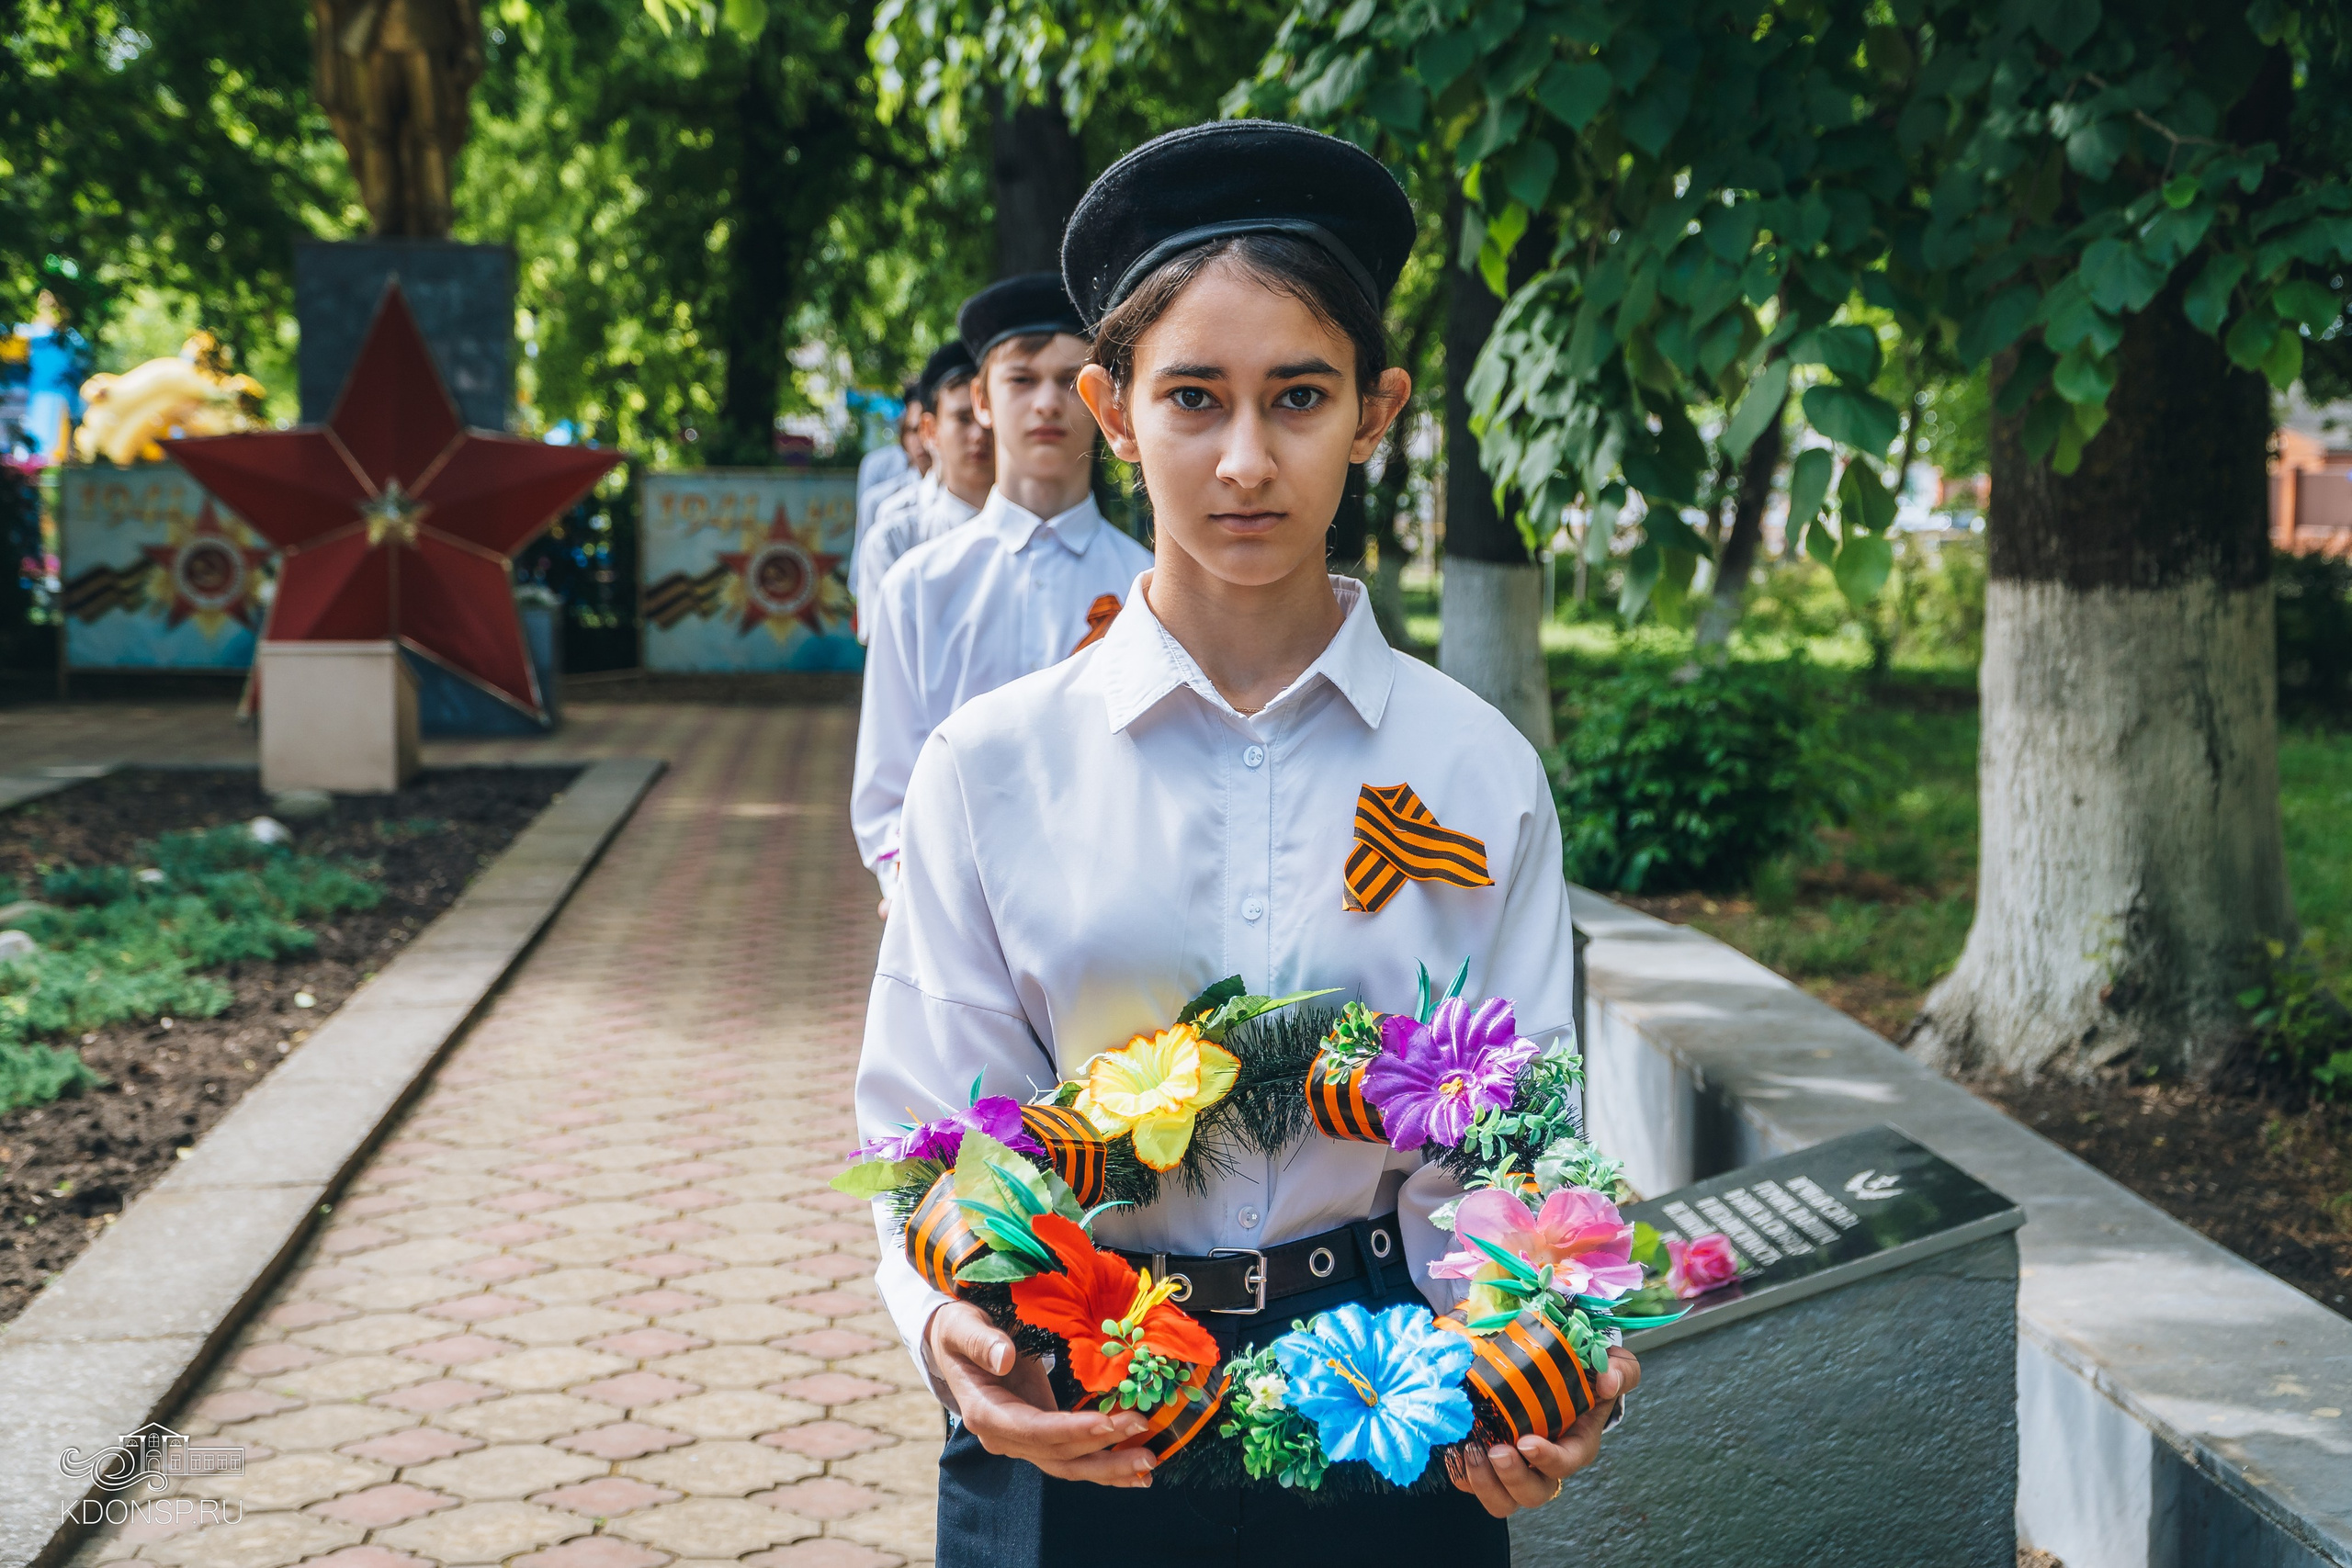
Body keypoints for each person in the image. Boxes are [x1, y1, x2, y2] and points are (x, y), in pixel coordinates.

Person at [854, 121, 1638, 1567]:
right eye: (1193, 398)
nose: (1244, 460)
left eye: (1299, 396)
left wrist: (1542, 1348)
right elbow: (928, 1128)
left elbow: (1515, 1135)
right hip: (1077, 1396)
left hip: (1394, 1406)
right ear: (1112, 408)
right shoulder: (987, 767)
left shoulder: (1476, 771)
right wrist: (947, 1326)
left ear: (1376, 411)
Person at [850, 272, 1153, 908]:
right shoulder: (918, 587)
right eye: (1020, 379)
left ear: (1107, 401)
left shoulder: (1150, 588)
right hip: (951, 909)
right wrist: (913, 888)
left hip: (1112, 910)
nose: (1046, 403)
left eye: (1069, 381)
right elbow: (887, 788)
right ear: (981, 400)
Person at [853, 339, 993, 637]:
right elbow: (886, 650)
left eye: (988, 416)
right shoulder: (894, 537)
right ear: (930, 431)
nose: (980, 434)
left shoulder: (1043, 531)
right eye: (963, 418)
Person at [854, 384, 929, 560]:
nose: (921, 439)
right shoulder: (879, 502)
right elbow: (862, 564)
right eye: (913, 430)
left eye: (927, 429)